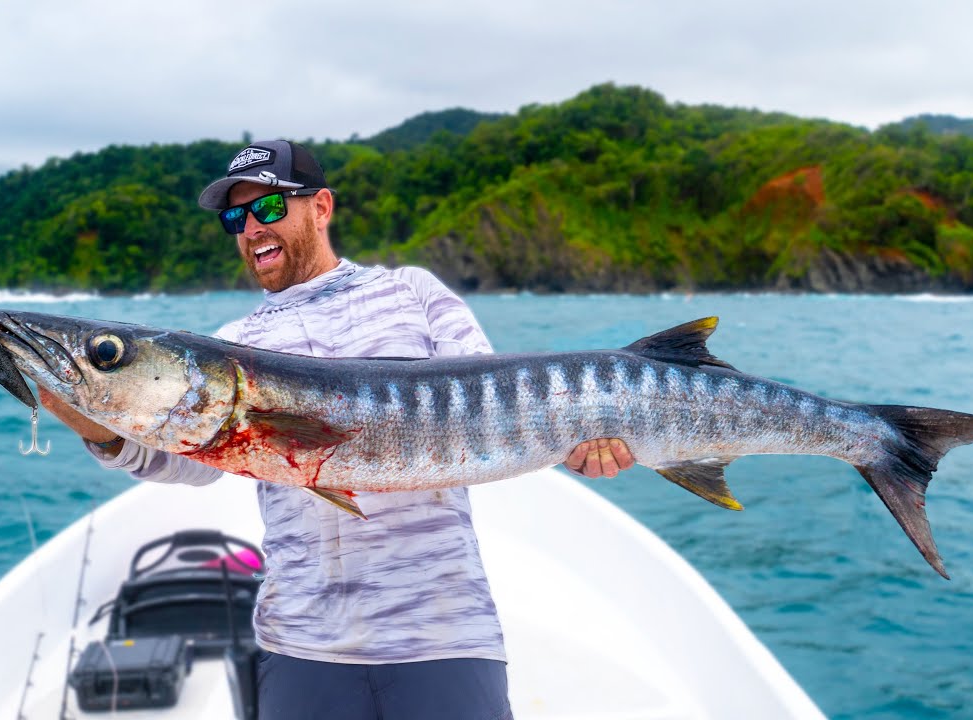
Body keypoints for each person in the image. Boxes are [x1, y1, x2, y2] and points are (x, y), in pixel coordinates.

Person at [38, 140, 635, 719]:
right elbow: (188, 459)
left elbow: (500, 410)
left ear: (320, 207)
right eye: (235, 218)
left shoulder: (413, 294)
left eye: (268, 207)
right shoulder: (235, 343)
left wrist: (577, 445)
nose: (251, 229)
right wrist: (96, 424)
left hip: (442, 628)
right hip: (302, 641)